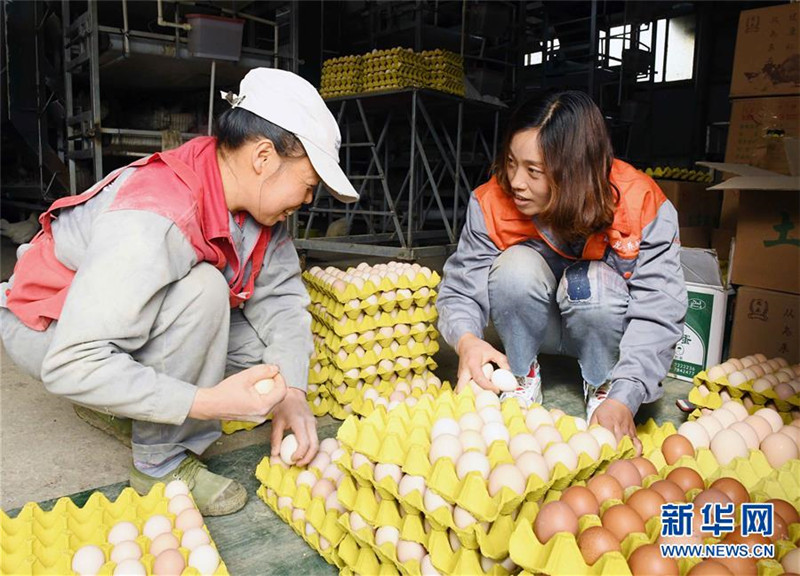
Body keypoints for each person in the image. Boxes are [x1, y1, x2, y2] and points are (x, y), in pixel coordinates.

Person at [0, 68, 358, 515]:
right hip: (51, 327)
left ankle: (123, 404)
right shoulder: (157, 214)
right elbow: (73, 361)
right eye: (308, 186)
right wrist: (206, 403)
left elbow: (282, 301)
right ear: (263, 157)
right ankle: (159, 465)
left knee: (269, 365)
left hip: (126, 318)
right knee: (204, 291)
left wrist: (293, 394)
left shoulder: (257, 209)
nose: (308, 200)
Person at [437, 91, 687, 454]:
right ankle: (520, 374)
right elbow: (461, 289)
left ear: (575, 172)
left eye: (534, 171)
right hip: (536, 324)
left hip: (601, 323)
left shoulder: (640, 202)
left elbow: (659, 309)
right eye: (511, 162)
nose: (516, 181)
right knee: (514, 270)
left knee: (592, 283)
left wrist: (627, 391)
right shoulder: (492, 201)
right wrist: (467, 340)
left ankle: (603, 384)